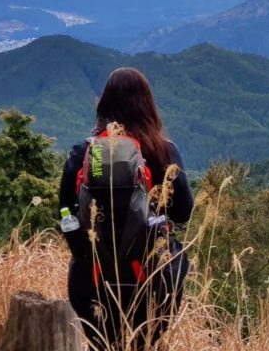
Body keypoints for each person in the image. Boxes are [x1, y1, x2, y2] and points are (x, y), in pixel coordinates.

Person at [58, 67, 194, 350]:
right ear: (148, 105)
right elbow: (184, 212)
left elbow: (64, 214)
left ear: (104, 105)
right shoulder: (164, 151)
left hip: (91, 280)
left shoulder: (83, 153)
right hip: (153, 279)